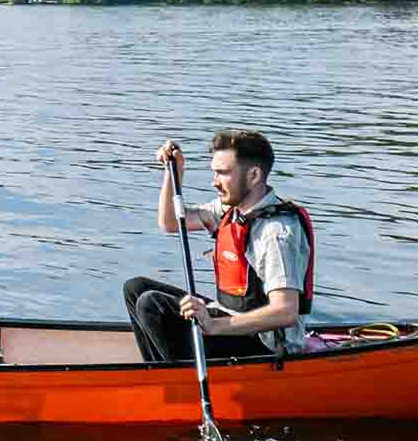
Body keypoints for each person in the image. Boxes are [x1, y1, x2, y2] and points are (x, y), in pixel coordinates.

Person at [122, 129, 314, 363]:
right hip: (232, 319)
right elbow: (171, 222)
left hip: (266, 344)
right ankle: (161, 373)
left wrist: (213, 325)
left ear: (253, 175)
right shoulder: (232, 211)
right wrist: (174, 172)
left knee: (152, 305)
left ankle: (179, 384)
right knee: (136, 288)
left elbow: (285, 311)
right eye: (215, 172)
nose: (215, 182)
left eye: (223, 173)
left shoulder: (275, 233)